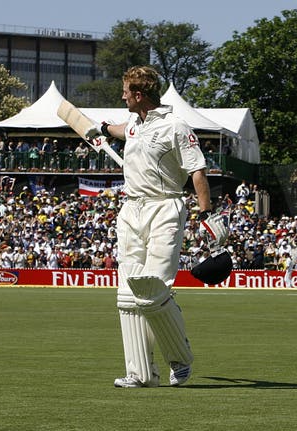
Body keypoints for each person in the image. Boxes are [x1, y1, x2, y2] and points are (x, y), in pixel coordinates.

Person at [85, 66, 227, 388]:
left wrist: (206, 213)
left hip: (165, 207)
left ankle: (180, 360)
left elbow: (197, 171)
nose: (121, 96)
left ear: (138, 94)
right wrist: (104, 129)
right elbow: (124, 130)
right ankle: (140, 374)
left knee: (152, 291)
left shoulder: (176, 126)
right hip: (131, 209)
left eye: (125, 92)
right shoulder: (135, 123)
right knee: (127, 294)